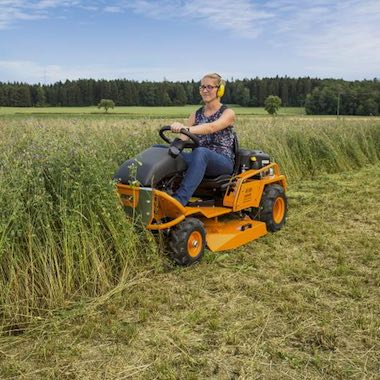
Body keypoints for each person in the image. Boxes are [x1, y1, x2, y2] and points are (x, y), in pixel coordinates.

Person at [170, 73, 236, 206]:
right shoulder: (195, 115)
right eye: (202, 87)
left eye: (210, 87)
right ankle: (154, 190)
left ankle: (178, 201)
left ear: (219, 90)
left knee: (201, 152)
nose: (205, 90)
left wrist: (186, 128)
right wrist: (178, 133)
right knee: (162, 150)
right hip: (198, 158)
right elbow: (183, 138)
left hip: (222, 161)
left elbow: (211, 127)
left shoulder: (228, 113)